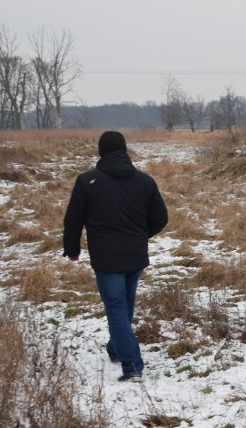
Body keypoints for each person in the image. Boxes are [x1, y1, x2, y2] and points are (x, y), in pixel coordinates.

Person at [63, 131, 168, 382]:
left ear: (101, 151)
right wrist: (140, 236)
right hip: (135, 255)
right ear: (124, 150)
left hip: (106, 258)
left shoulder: (87, 181)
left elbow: (73, 219)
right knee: (124, 305)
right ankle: (116, 348)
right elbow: (160, 218)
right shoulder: (145, 181)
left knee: (117, 308)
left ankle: (132, 366)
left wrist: (73, 249)